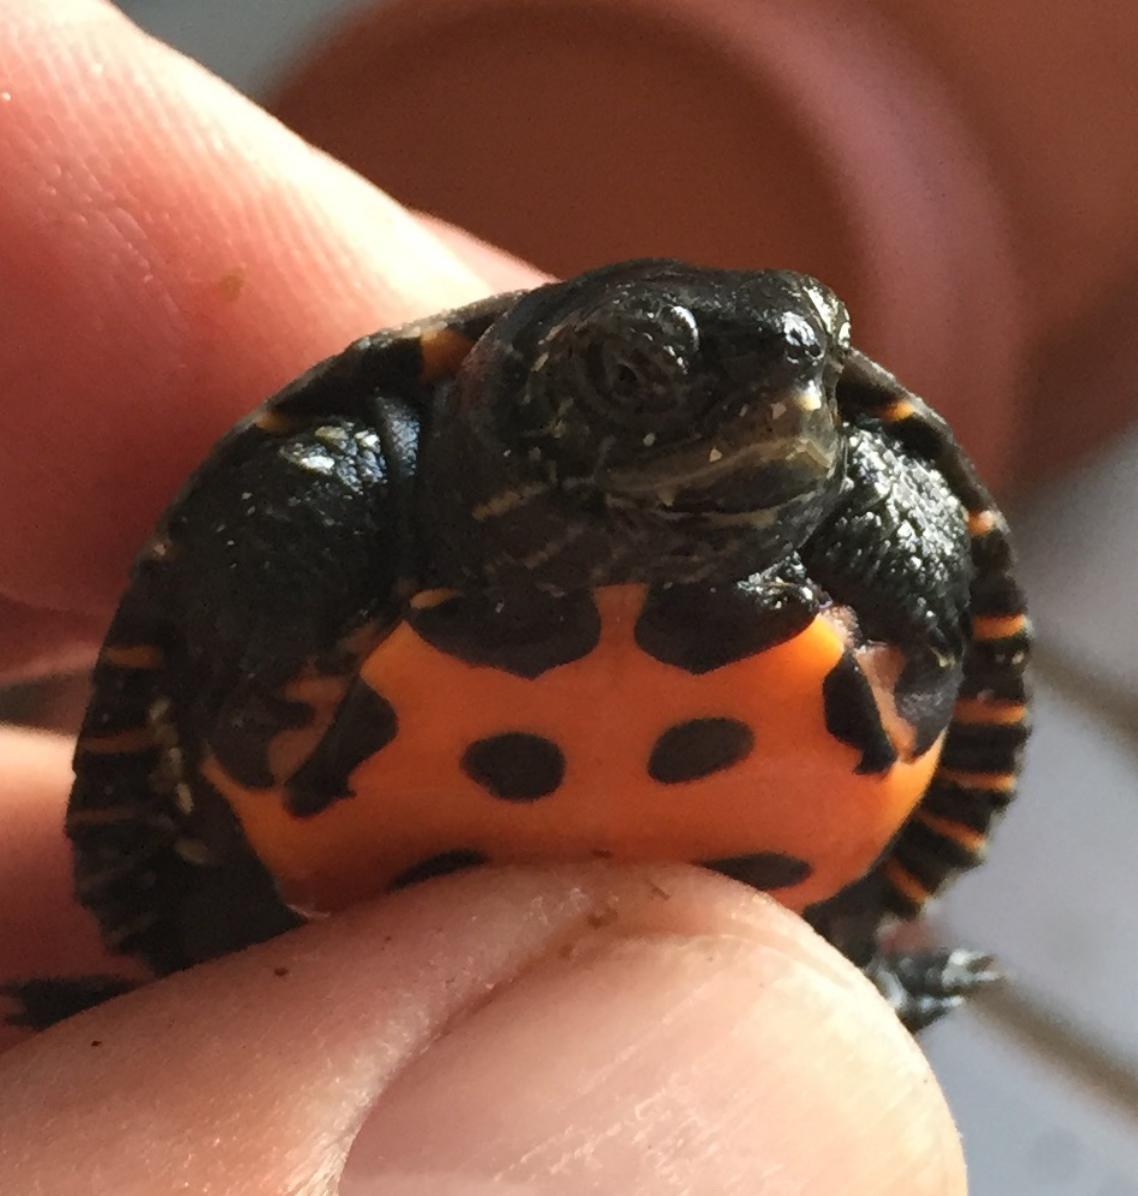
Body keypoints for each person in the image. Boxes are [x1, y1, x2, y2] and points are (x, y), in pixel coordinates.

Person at [0, 3, 965, 1190]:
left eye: (813, 366)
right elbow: (215, 597)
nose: (792, 400)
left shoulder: (838, 485)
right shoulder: (373, 475)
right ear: (515, 403)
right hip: (282, 923)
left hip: (700, 872)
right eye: (637, 378)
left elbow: (938, 631)